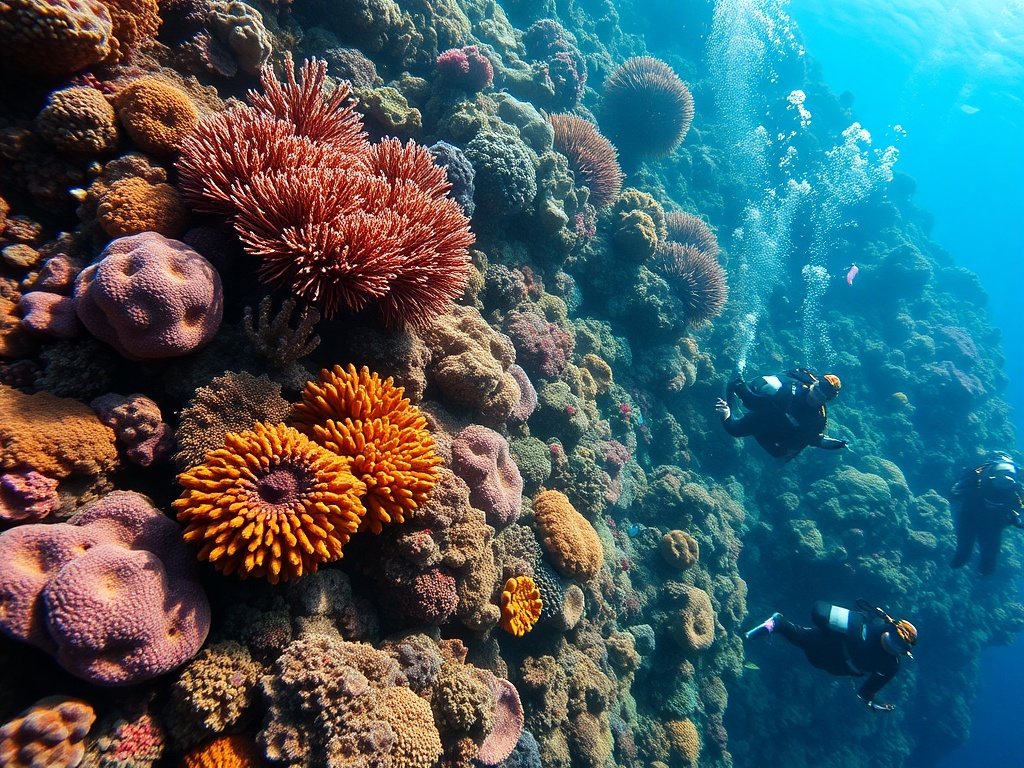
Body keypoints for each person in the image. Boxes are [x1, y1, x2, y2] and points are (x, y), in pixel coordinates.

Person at [745, 599, 917, 712]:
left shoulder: (874, 625)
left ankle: (776, 625)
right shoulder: (891, 666)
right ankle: (777, 627)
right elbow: (865, 694)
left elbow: (819, 611)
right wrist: (876, 702)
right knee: (801, 639)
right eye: (896, 638)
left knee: (800, 636)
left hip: (825, 647)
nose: (893, 644)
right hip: (833, 665)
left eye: (898, 642)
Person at [714, 368, 847, 461]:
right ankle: (728, 406)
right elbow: (776, 380)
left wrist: (825, 442)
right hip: (765, 413)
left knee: (779, 454)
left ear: (827, 400)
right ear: (814, 383)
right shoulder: (794, 384)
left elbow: (812, 438)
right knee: (736, 419)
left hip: (776, 433)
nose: (815, 396)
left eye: (821, 396)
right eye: (816, 389)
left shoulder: (817, 419)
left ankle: (730, 407)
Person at [949, 452, 1024, 575]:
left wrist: (1016, 518)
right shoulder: (978, 476)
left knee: (981, 557)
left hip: (979, 519)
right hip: (979, 519)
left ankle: (975, 571)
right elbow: (955, 491)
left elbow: (954, 492)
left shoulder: (1017, 490)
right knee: (970, 553)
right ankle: (963, 568)